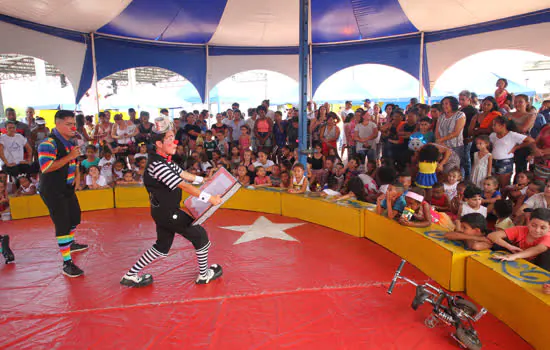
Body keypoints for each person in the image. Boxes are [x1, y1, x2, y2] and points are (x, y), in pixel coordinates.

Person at [120, 117, 223, 287]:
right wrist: (209, 198)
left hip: (162, 212)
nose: (174, 142)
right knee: (201, 237)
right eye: (169, 139)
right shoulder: (157, 165)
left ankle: (131, 275)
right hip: (169, 213)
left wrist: (204, 179)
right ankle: (204, 275)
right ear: (159, 144)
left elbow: (183, 174)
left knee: (161, 246)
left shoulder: (164, 160)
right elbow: (183, 185)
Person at [37, 110, 88, 277]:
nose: (73, 127)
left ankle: (70, 244)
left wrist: (77, 176)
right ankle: (67, 263)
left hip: (67, 187)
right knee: (63, 224)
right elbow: (46, 167)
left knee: (75, 217)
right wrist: (69, 157)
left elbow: (75, 161)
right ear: (57, 124)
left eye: (74, 123)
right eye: (68, 124)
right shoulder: (48, 144)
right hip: (52, 189)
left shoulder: (70, 142)